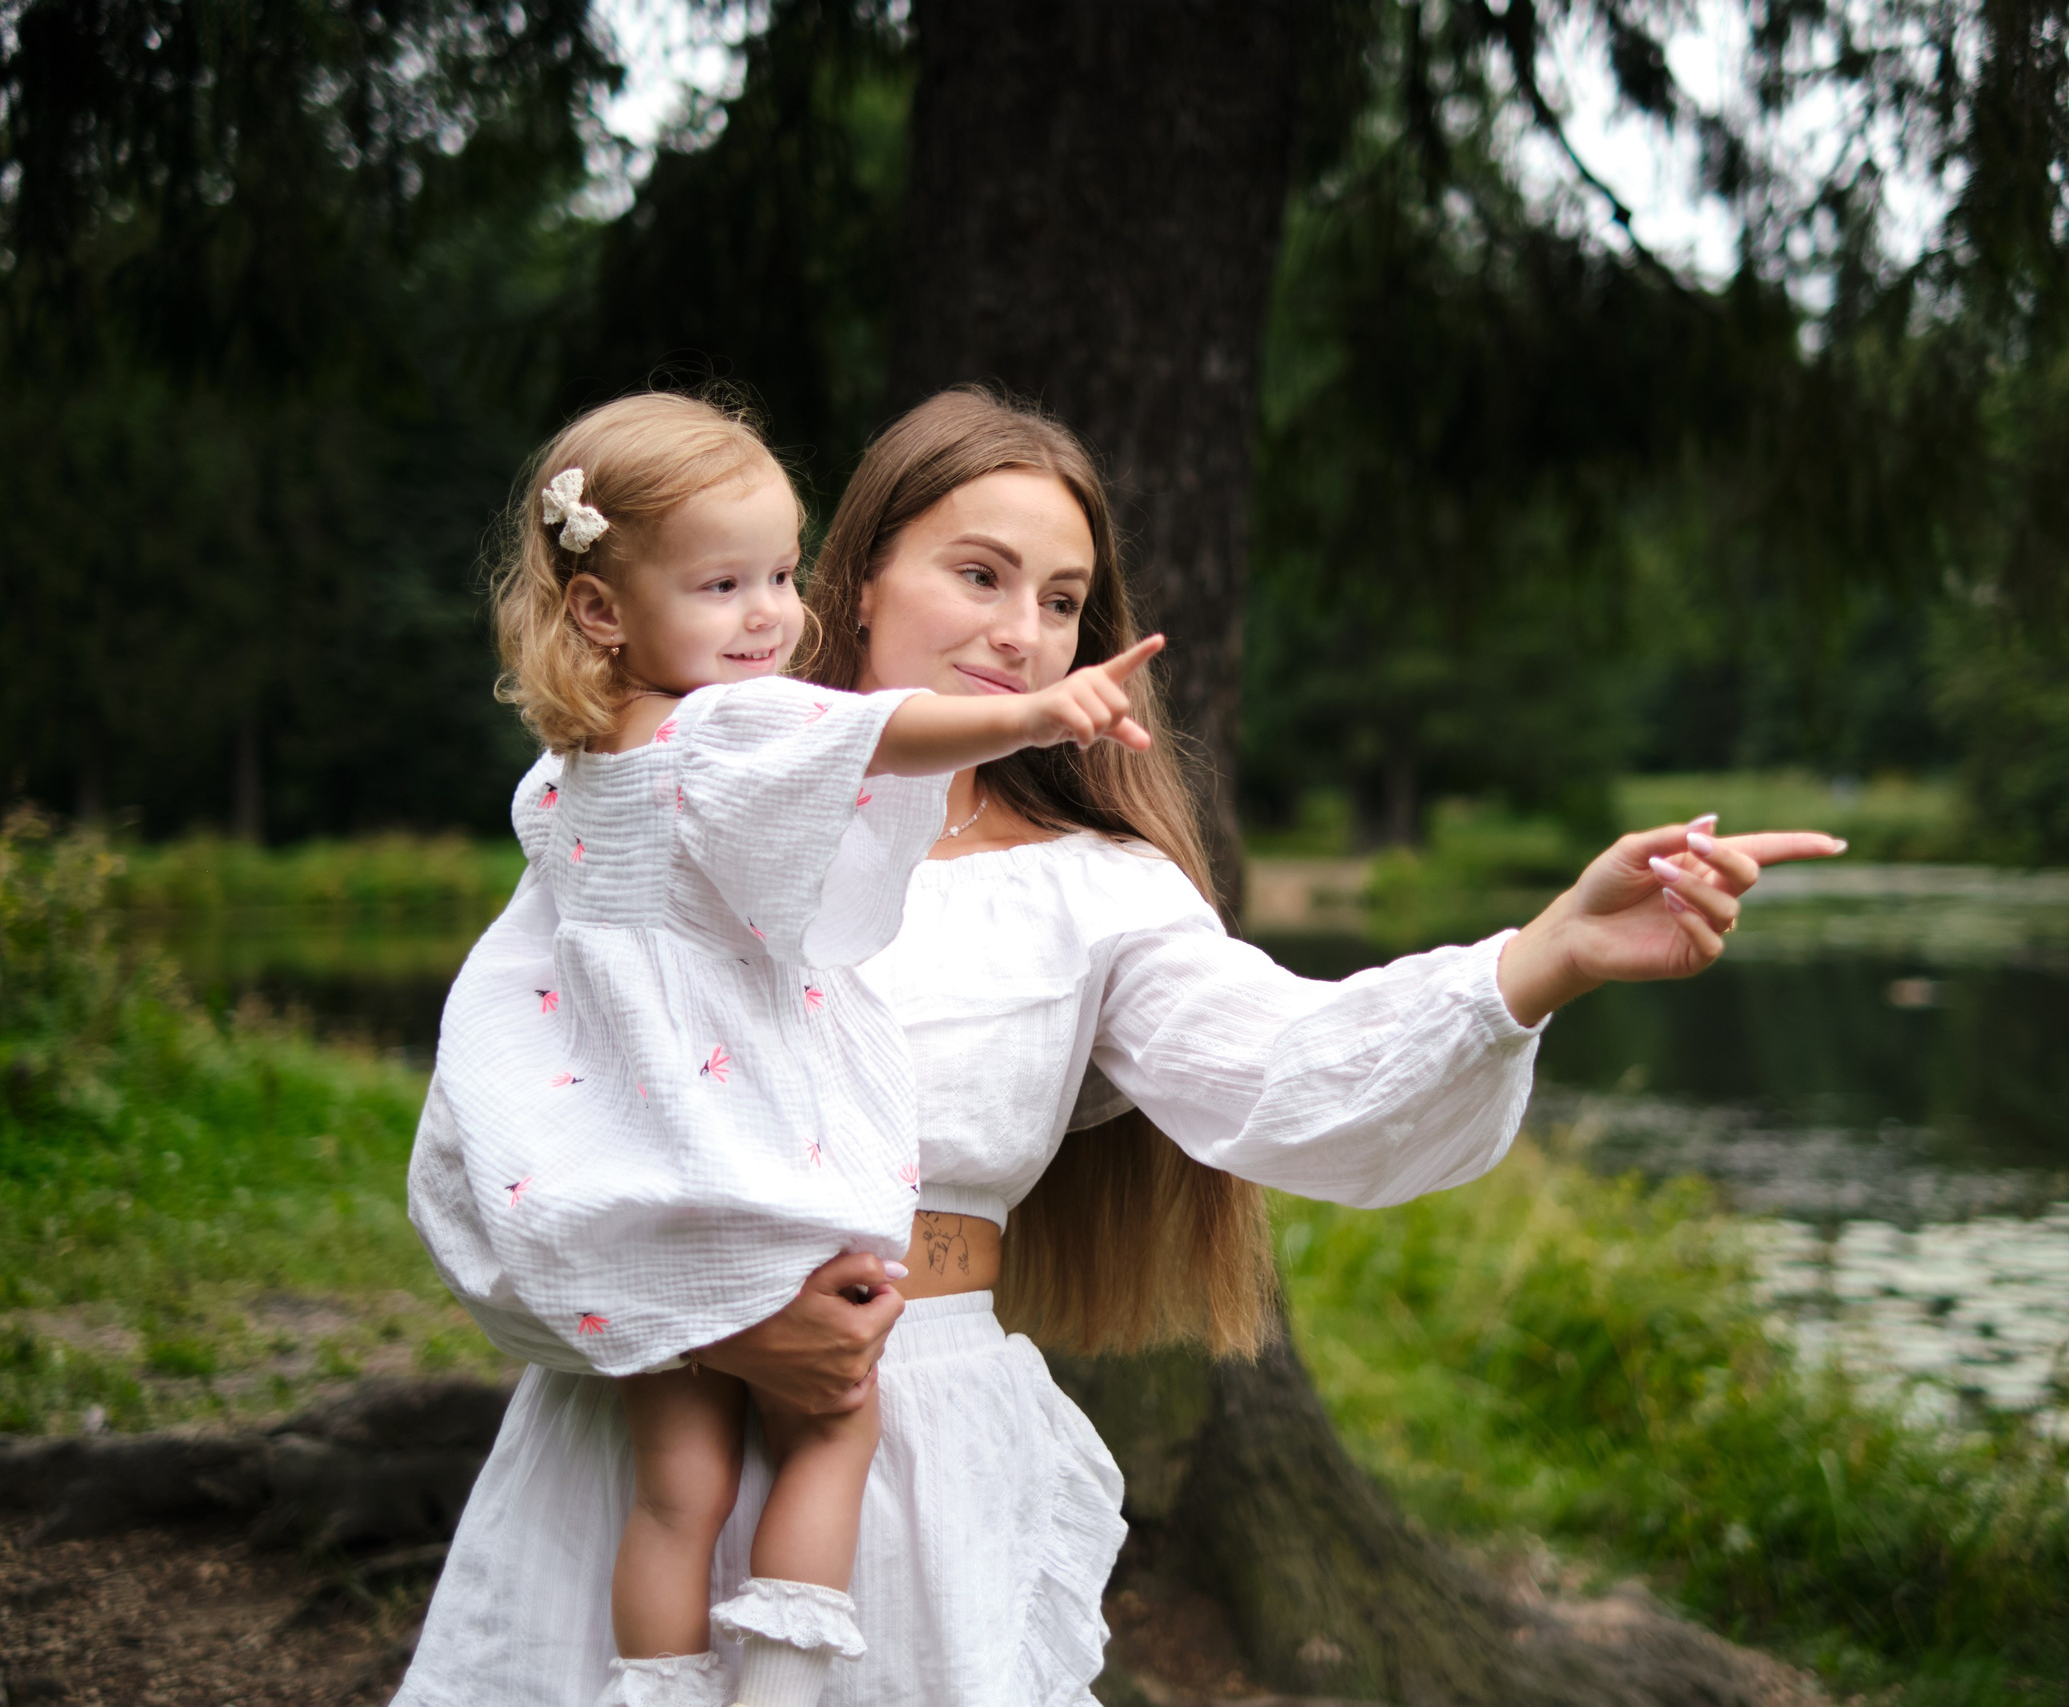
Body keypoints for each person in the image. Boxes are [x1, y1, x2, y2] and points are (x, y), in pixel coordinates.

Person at [393, 387, 1844, 1707]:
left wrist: (1545, 958)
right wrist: (698, 1317)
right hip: (632, 1429)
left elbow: (1290, 1070)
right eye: (980, 573)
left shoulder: (1092, 892)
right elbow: (495, 1145)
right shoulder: (654, 811)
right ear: (858, 574)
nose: (1024, 632)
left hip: (913, 1445)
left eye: (1066, 601)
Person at [407, 391, 1168, 1707]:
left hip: (651, 1227)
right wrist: (1035, 716)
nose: (768, 614)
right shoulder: (736, 731)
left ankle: (653, 1687)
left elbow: (512, 1026)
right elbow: (886, 732)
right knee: (834, 1429)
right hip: (765, 1204)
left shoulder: (560, 785)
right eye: (723, 584)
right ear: (604, 609)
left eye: (774, 575)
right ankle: (778, 1682)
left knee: (677, 1491)